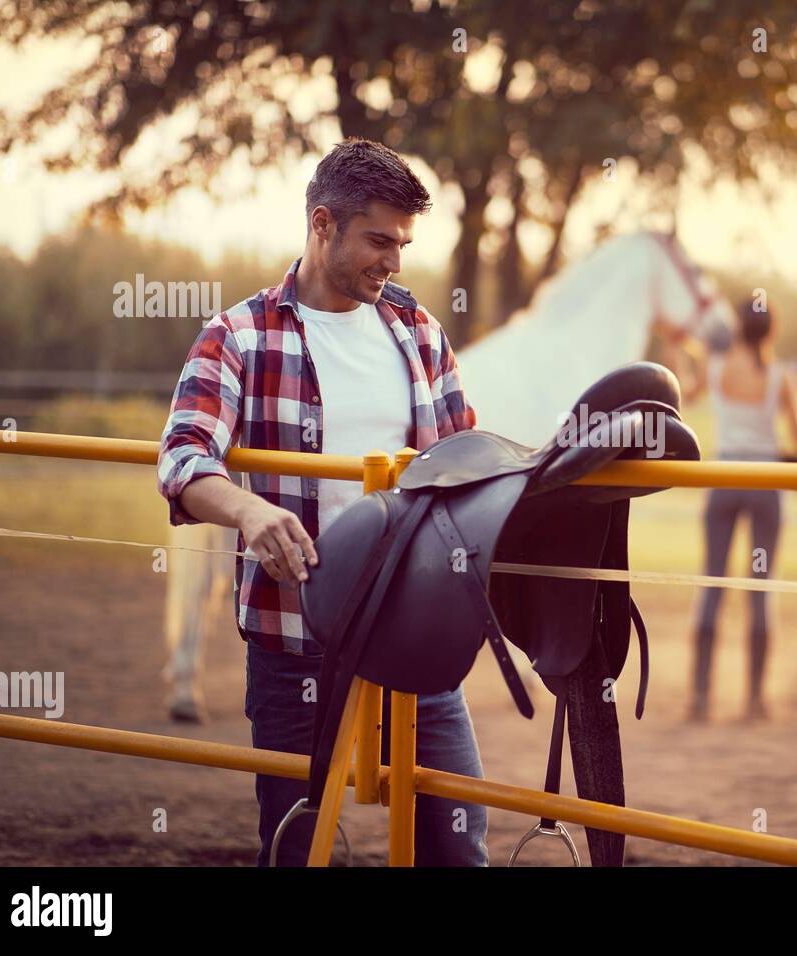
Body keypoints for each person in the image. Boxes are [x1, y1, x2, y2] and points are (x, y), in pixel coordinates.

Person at [157, 138, 488, 866]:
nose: (394, 260)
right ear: (321, 224)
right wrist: (249, 512)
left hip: (415, 644)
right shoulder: (237, 336)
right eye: (378, 239)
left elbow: (464, 463)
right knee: (301, 850)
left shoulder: (421, 335)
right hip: (295, 643)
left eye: (403, 243)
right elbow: (182, 457)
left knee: (457, 848)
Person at [682, 300, 797, 722]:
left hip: (724, 482)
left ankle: (701, 698)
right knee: (760, 587)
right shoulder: (782, 377)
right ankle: (755, 699)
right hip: (765, 485)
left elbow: (684, 391)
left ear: (738, 326)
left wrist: (675, 350)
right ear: (771, 332)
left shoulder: (716, 367)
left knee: (712, 583)